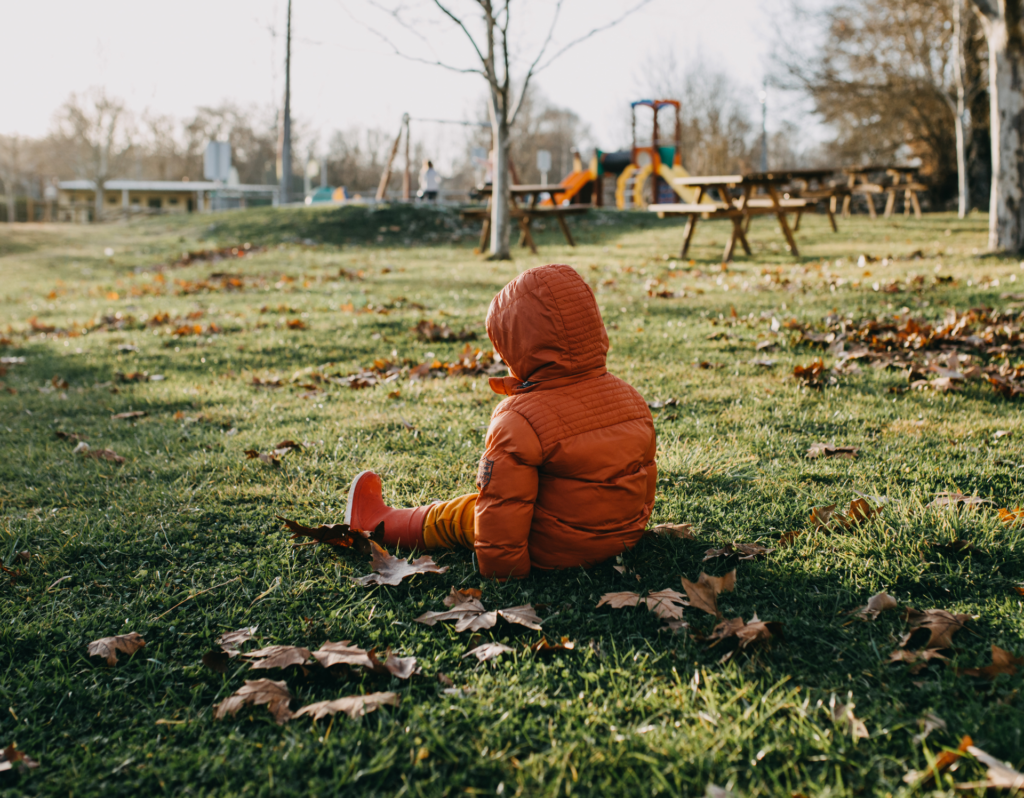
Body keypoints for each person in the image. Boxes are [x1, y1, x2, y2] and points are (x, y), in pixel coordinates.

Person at [344, 264, 657, 580]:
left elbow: (502, 505)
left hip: (551, 550)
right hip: (621, 538)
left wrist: (505, 572)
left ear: (514, 345)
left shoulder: (519, 419)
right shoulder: (630, 397)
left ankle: (376, 523)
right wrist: (630, 532)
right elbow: (645, 475)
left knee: (463, 513)